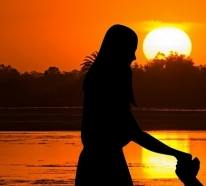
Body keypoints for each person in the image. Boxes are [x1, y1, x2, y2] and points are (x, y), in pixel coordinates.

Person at [76, 24, 192, 185]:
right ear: (119, 51)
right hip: (103, 166)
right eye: (131, 50)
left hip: (102, 161)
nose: (134, 57)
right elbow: (135, 133)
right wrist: (177, 154)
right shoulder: (105, 83)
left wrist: (176, 154)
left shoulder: (97, 79)